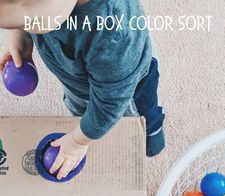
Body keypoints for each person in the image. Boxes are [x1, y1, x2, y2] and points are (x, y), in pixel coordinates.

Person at [0, 0, 165, 180]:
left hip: (127, 92)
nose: (28, 28)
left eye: (29, 23)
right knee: (84, 112)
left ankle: (152, 136)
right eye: (20, 24)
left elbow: (109, 105)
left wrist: (78, 142)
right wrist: (20, 36)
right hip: (81, 79)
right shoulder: (52, 9)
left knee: (135, 122)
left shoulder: (112, 34)